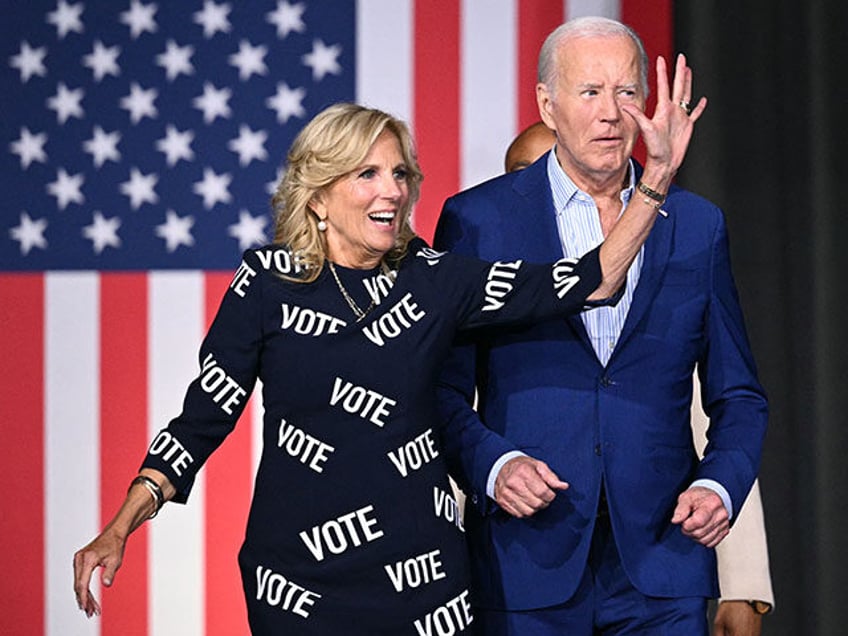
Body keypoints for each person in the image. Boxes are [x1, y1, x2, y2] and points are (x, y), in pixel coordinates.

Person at [73, 96, 696, 634]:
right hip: (297, 585)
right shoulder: (265, 283)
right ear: (318, 196)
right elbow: (201, 419)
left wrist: (656, 178)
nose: (393, 191)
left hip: (426, 587)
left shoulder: (434, 277)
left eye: (400, 174)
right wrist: (122, 523)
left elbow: (590, 280)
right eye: (366, 174)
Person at [434, 16, 767, 635]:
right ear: (547, 105)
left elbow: (739, 395)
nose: (612, 114)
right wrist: (493, 464)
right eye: (590, 92)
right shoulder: (478, 221)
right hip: (527, 558)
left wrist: (720, 487)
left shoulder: (697, 226)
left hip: (663, 563)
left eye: (627, 93)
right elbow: (442, 391)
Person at [500, 120, 776, 634]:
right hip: (527, 574)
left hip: (657, 570)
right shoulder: (482, 285)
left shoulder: (675, 256)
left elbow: (709, 418)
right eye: (524, 173)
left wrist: (745, 583)